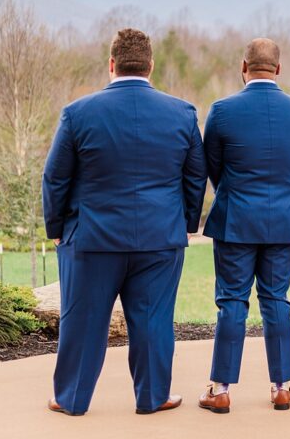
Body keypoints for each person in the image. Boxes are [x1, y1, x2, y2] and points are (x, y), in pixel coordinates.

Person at [42, 28, 207, 416]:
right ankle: (152, 397)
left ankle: (71, 400)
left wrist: (56, 230)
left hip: (92, 240)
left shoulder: (78, 113)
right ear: (150, 65)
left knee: (83, 323)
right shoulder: (182, 113)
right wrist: (184, 224)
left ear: (112, 64)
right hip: (159, 239)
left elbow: (55, 178)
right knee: (153, 321)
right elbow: (196, 176)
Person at [197, 39, 290, 414]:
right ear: (278, 69)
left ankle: (220, 390)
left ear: (243, 66)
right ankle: (281, 387)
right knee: (276, 300)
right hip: (283, 220)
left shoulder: (222, 110)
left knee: (232, 301)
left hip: (236, 220)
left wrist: (233, 192)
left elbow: (212, 166)